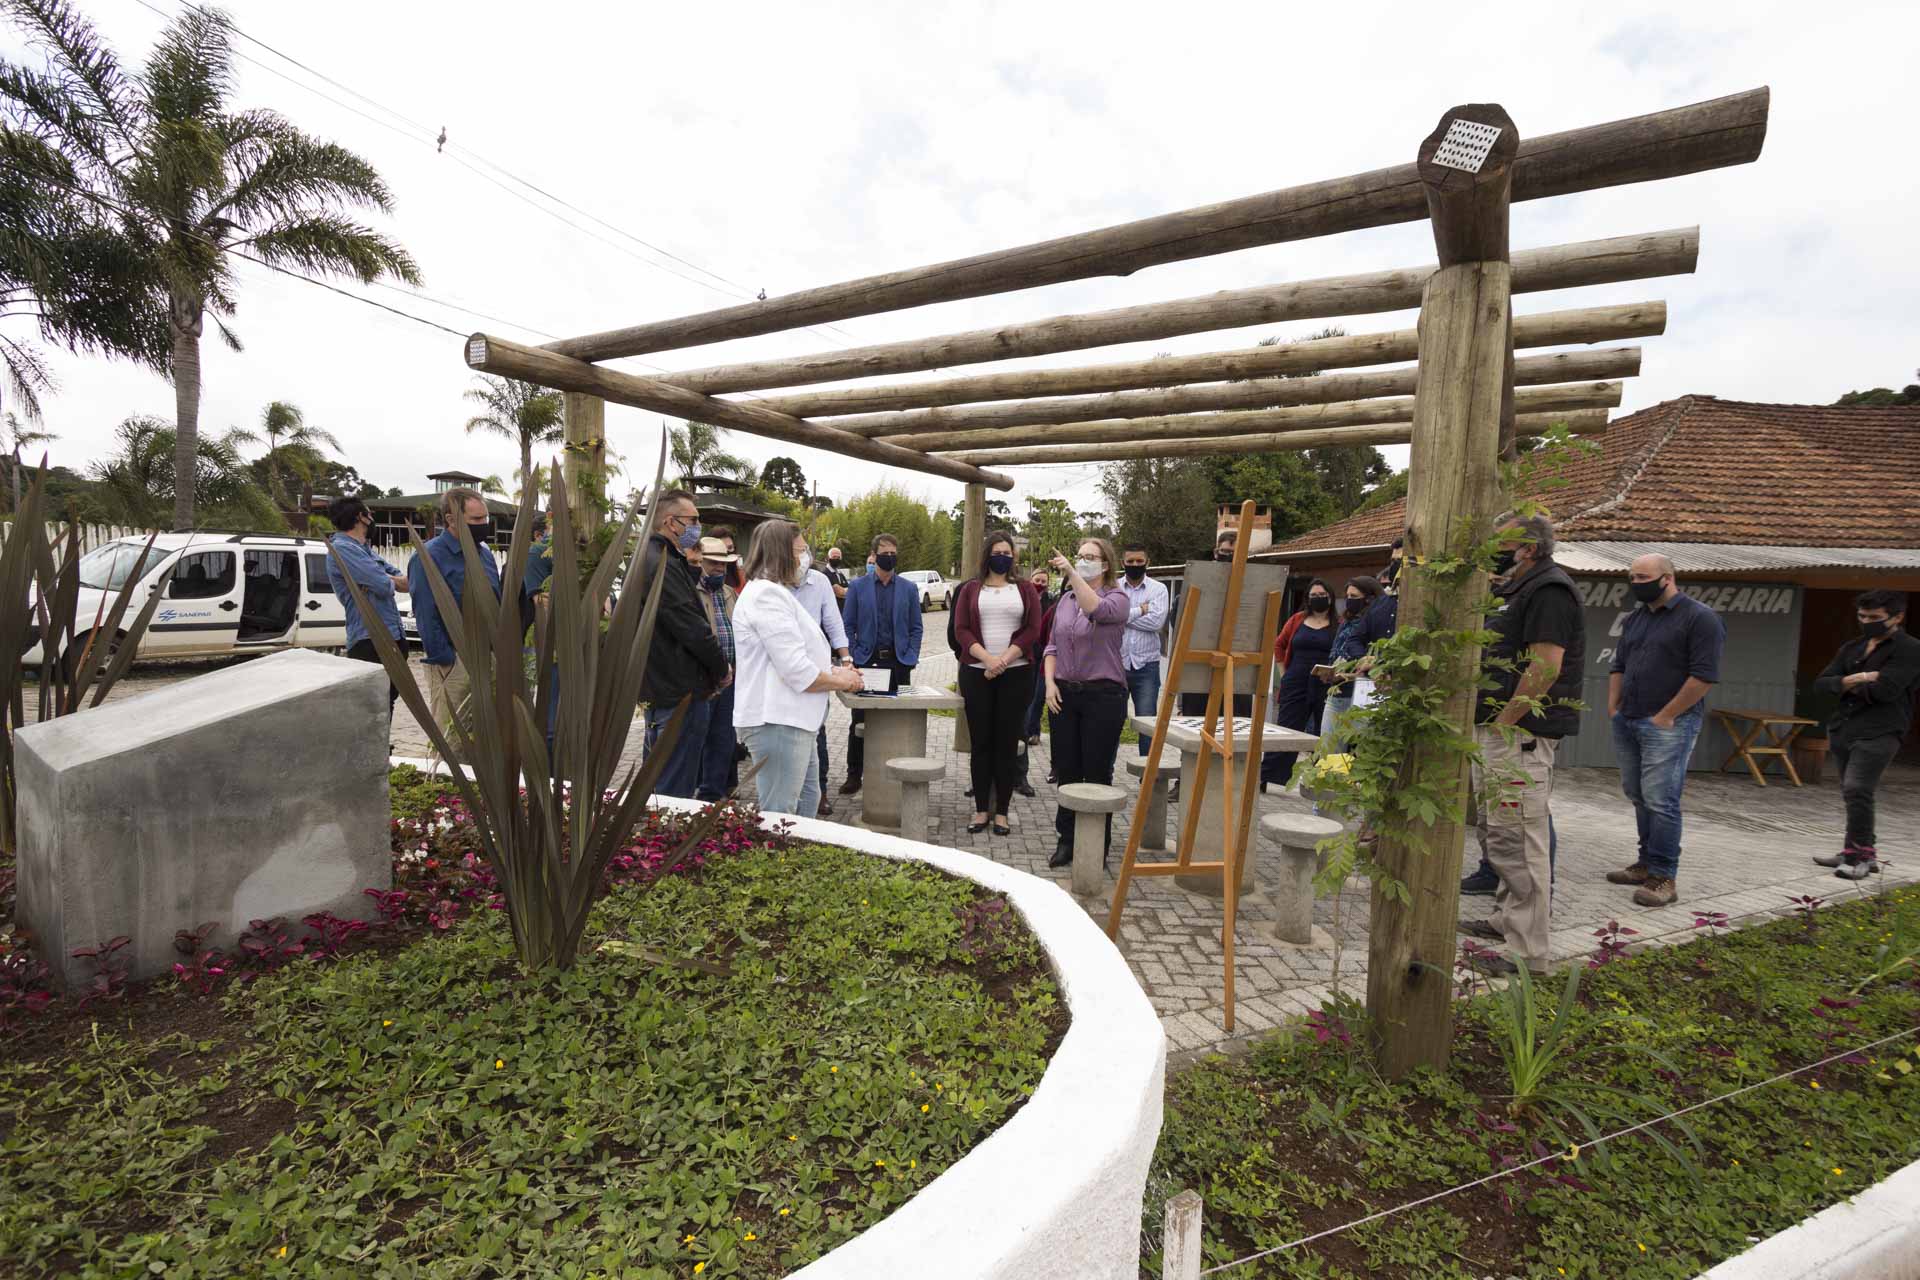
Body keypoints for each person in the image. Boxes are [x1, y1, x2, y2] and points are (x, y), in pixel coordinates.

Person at [1455, 515, 1585, 977]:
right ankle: (1505, 920)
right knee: (1498, 833)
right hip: (1498, 731)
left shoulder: (1550, 591)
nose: (1495, 548)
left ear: (1527, 548)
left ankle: (1529, 954)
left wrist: (1507, 724)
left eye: (1502, 542)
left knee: (1521, 839)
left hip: (1519, 736)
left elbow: (1545, 666)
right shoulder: (1519, 588)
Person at [1605, 553, 1726, 907]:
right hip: (1628, 718)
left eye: (1643, 577)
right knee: (1637, 793)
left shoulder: (1700, 618)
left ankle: (1663, 877)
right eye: (1632, 577)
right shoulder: (1636, 619)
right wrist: (1614, 707)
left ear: (1668, 578)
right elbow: (1619, 665)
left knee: (1661, 799)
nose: (1636, 583)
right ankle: (1644, 864)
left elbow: (1703, 676)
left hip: (1669, 723)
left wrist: (1667, 715)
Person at [732, 521, 866, 815]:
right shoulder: (766, 595)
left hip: (796, 723)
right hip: (778, 721)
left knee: (806, 807)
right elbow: (797, 671)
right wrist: (844, 681)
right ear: (781, 553)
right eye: (801, 551)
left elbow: (801, 655)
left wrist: (836, 670)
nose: (805, 558)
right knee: (781, 817)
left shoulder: (775, 592)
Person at [1810, 590, 1920, 880]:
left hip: (1881, 730)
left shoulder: (1909, 648)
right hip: (1845, 727)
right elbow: (1821, 685)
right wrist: (1862, 677)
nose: (1866, 622)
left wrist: (1844, 684)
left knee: (1857, 788)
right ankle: (1855, 851)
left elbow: (1887, 690)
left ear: (1897, 617)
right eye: (1862, 616)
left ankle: (1860, 858)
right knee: (1853, 794)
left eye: (1875, 618)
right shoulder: (1853, 647)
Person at [1044, 536, 1131, 870]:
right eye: (1079, 556)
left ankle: (1096, 845)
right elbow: (1052, 646)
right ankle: (1066, 840)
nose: (1082, 561)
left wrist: (1072, 573)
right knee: (1068, 770)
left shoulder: (1117, 598)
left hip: (1103, 696)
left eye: (1089, 557)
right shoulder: (1065, 601)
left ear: (1105, 565)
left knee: (1096, 773)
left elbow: (1095, 607)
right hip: (1065, 693)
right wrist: (1050, 683)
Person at [638, 489, 731, 799]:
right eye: (692, 520)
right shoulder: (661, 562)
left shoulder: (655, 558)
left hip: (664, 687)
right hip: (679, 691)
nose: (697, 528)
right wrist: (720, 667)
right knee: (672, 791)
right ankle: (666, 845)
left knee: (662, 778)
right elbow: (691, 627)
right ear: (670, 522)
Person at [954, 531, 1045, 835]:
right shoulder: (970, 589)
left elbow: (1034, 628)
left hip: (1016, 674)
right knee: (981, 743)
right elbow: (961, 630)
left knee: (1007, 744)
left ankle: (1002, 812)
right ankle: (981, 810)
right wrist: (988, 660)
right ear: (986, 555)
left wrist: (1004, 659)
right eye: (997, 551)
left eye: (1008, 552)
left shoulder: (1025, 589)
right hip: (977, 673)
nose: (1003, 556)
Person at [407, 487, 503, 735]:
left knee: (486, 734)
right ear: (451, 519)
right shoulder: (428, 557)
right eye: (476, 519)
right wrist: (446, 661)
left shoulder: (485, 555)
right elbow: (426, 613)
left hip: (488, 657)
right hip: (454, 661)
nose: (484, 524)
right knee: (453, 736)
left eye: (485, 518)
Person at [838, 532, 922, 795]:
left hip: (899, 664)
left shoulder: (908, 588)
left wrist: (911, 656)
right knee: (860, 721)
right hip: (867, 662)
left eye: (893, 552)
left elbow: (916, 627)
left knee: (900, 718)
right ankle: (855, 774)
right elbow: (847, 625)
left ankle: (897, 771)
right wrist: (851, 657)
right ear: (873, 556)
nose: (890, 556)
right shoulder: (858, 587)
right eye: (884, 552)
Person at [324, 496, 407, 710]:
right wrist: (385, 579)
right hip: (369, 639)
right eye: (370, 514)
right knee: (374, 705)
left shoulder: (365, 550)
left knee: (387, 701)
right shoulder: (342, 548)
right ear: (361, 517)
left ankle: (383, 743)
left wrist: (380, 578)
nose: (372, 518)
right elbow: (383, 586)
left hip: (393, 634)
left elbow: (404, 582)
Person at [792, 540, 854, 815]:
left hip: (816, 670)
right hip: (784, 669)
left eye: (805, 550)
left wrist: (846, 658)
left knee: (817, 732)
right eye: (797, 550)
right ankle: (790, 793)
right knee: (788, 732)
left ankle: (820, 792)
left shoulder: (819, 582)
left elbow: (833, 622)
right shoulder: (771, 585)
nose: (803, 556)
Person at [1262, 578, 1337, 790]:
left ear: (1330, 598)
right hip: (1295, 680)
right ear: (1307, 599)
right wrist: (1283, 673)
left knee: (1323, 732)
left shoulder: (1338, 625)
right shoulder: (1297, 619)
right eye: (1313, 596)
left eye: (1322, 595)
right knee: (1286, 729)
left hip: (1325, 683)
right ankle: (1267, 775)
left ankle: (1318, 780)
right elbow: (1279, 644)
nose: (1318, 599)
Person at [692, 536, 742, 803]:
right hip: (704, 678)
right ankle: (693, 793)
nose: (720, 569)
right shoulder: (691, 590)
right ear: (700, 561)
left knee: (723, 738)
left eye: (724, 564)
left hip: (731, 678)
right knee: (698, 736)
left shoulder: (729, 592)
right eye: (713, 563)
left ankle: (713, 794)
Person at [1119, 544, 1170, 758]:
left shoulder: (1159, 589)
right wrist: (1141, 610)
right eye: (1130, 561)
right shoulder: (1113, 587)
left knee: (1147, 723)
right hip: (1116, 664)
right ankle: (1105, 775)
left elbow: (1156, 622)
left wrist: (1121, 616)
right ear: (1123, 563)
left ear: (1147, 562)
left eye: (1139, 561)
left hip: (1146, 666)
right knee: (1110, 721)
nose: (1134, 565)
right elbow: (1105, 617)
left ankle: (1147, 778)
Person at [1320, 575, 1383, 742]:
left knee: (1359, 753)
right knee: (1328, 751)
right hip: (1337, 693)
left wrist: (1350, 675)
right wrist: (1329, 671)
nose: (1349, 600)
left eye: (1354, 597)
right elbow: (1336, 651)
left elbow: (1375, 663)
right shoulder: (1345, 623)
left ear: (1370, 599)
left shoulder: (1376, 624)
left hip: (1362, 697)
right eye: (1347, 596)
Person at [711, 524, 746, 593]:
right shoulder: (705, 578)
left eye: (730, 547)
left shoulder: (741, 576)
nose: (727, 552)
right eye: (722, 548)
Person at [823, 545, 850, 609]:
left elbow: (848, 591)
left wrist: (845, 591)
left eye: (838, 557)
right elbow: (840, 592)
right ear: (828, 558)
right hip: (832, 610)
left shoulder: (840, 574)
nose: (836, 559)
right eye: (834, 557)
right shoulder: (825, 574)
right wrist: (846, 591)